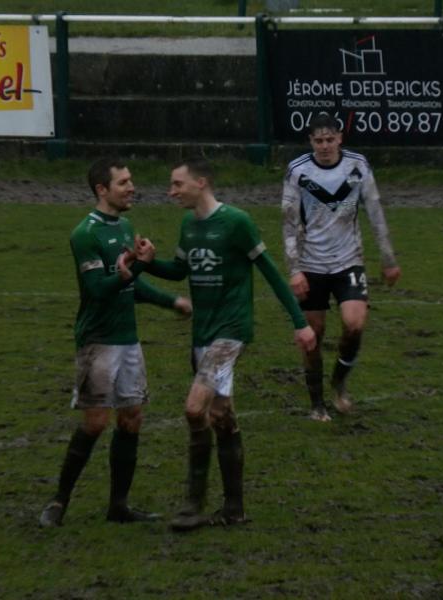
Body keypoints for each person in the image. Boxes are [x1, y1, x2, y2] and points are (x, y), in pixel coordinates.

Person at [142, 157, 316, 532]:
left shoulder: (237, 222)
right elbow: (179, 271)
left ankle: (192, 504)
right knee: (221, 417)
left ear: (201, 183)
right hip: (203, 334)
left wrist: (301, 324)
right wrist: (147, 263)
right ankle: (234, 509)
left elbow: (269, 271)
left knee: (193, 409)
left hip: (230, 333)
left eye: (177, 184)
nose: (171, 191)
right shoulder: (189, 225)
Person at [38, 157, 192, 528]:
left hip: (128, 339)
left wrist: (170, 301)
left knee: (132, 418)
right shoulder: (84, 235)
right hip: (98, 341)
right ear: (101, 190)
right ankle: (58, 501)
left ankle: (118, 506)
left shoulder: (124, 226)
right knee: (94, 422)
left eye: (130, 180)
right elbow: (97, 291)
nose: (131, 187)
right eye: (123, 182)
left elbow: (130, 285)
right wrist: (134, 268)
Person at [282, 113, 401, 423]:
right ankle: (317, 403)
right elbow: (289, 222)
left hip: (349, 260)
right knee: (313, 335)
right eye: (318, 140)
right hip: (310, 265)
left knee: (355, 323)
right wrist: (294, 270)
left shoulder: (358, 166)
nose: (324, 146)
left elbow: (375, 212)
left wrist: (388, 258)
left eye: (329, 139)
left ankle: (339, 381)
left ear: (340, 138)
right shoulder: (297, 171)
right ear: (310, 141)